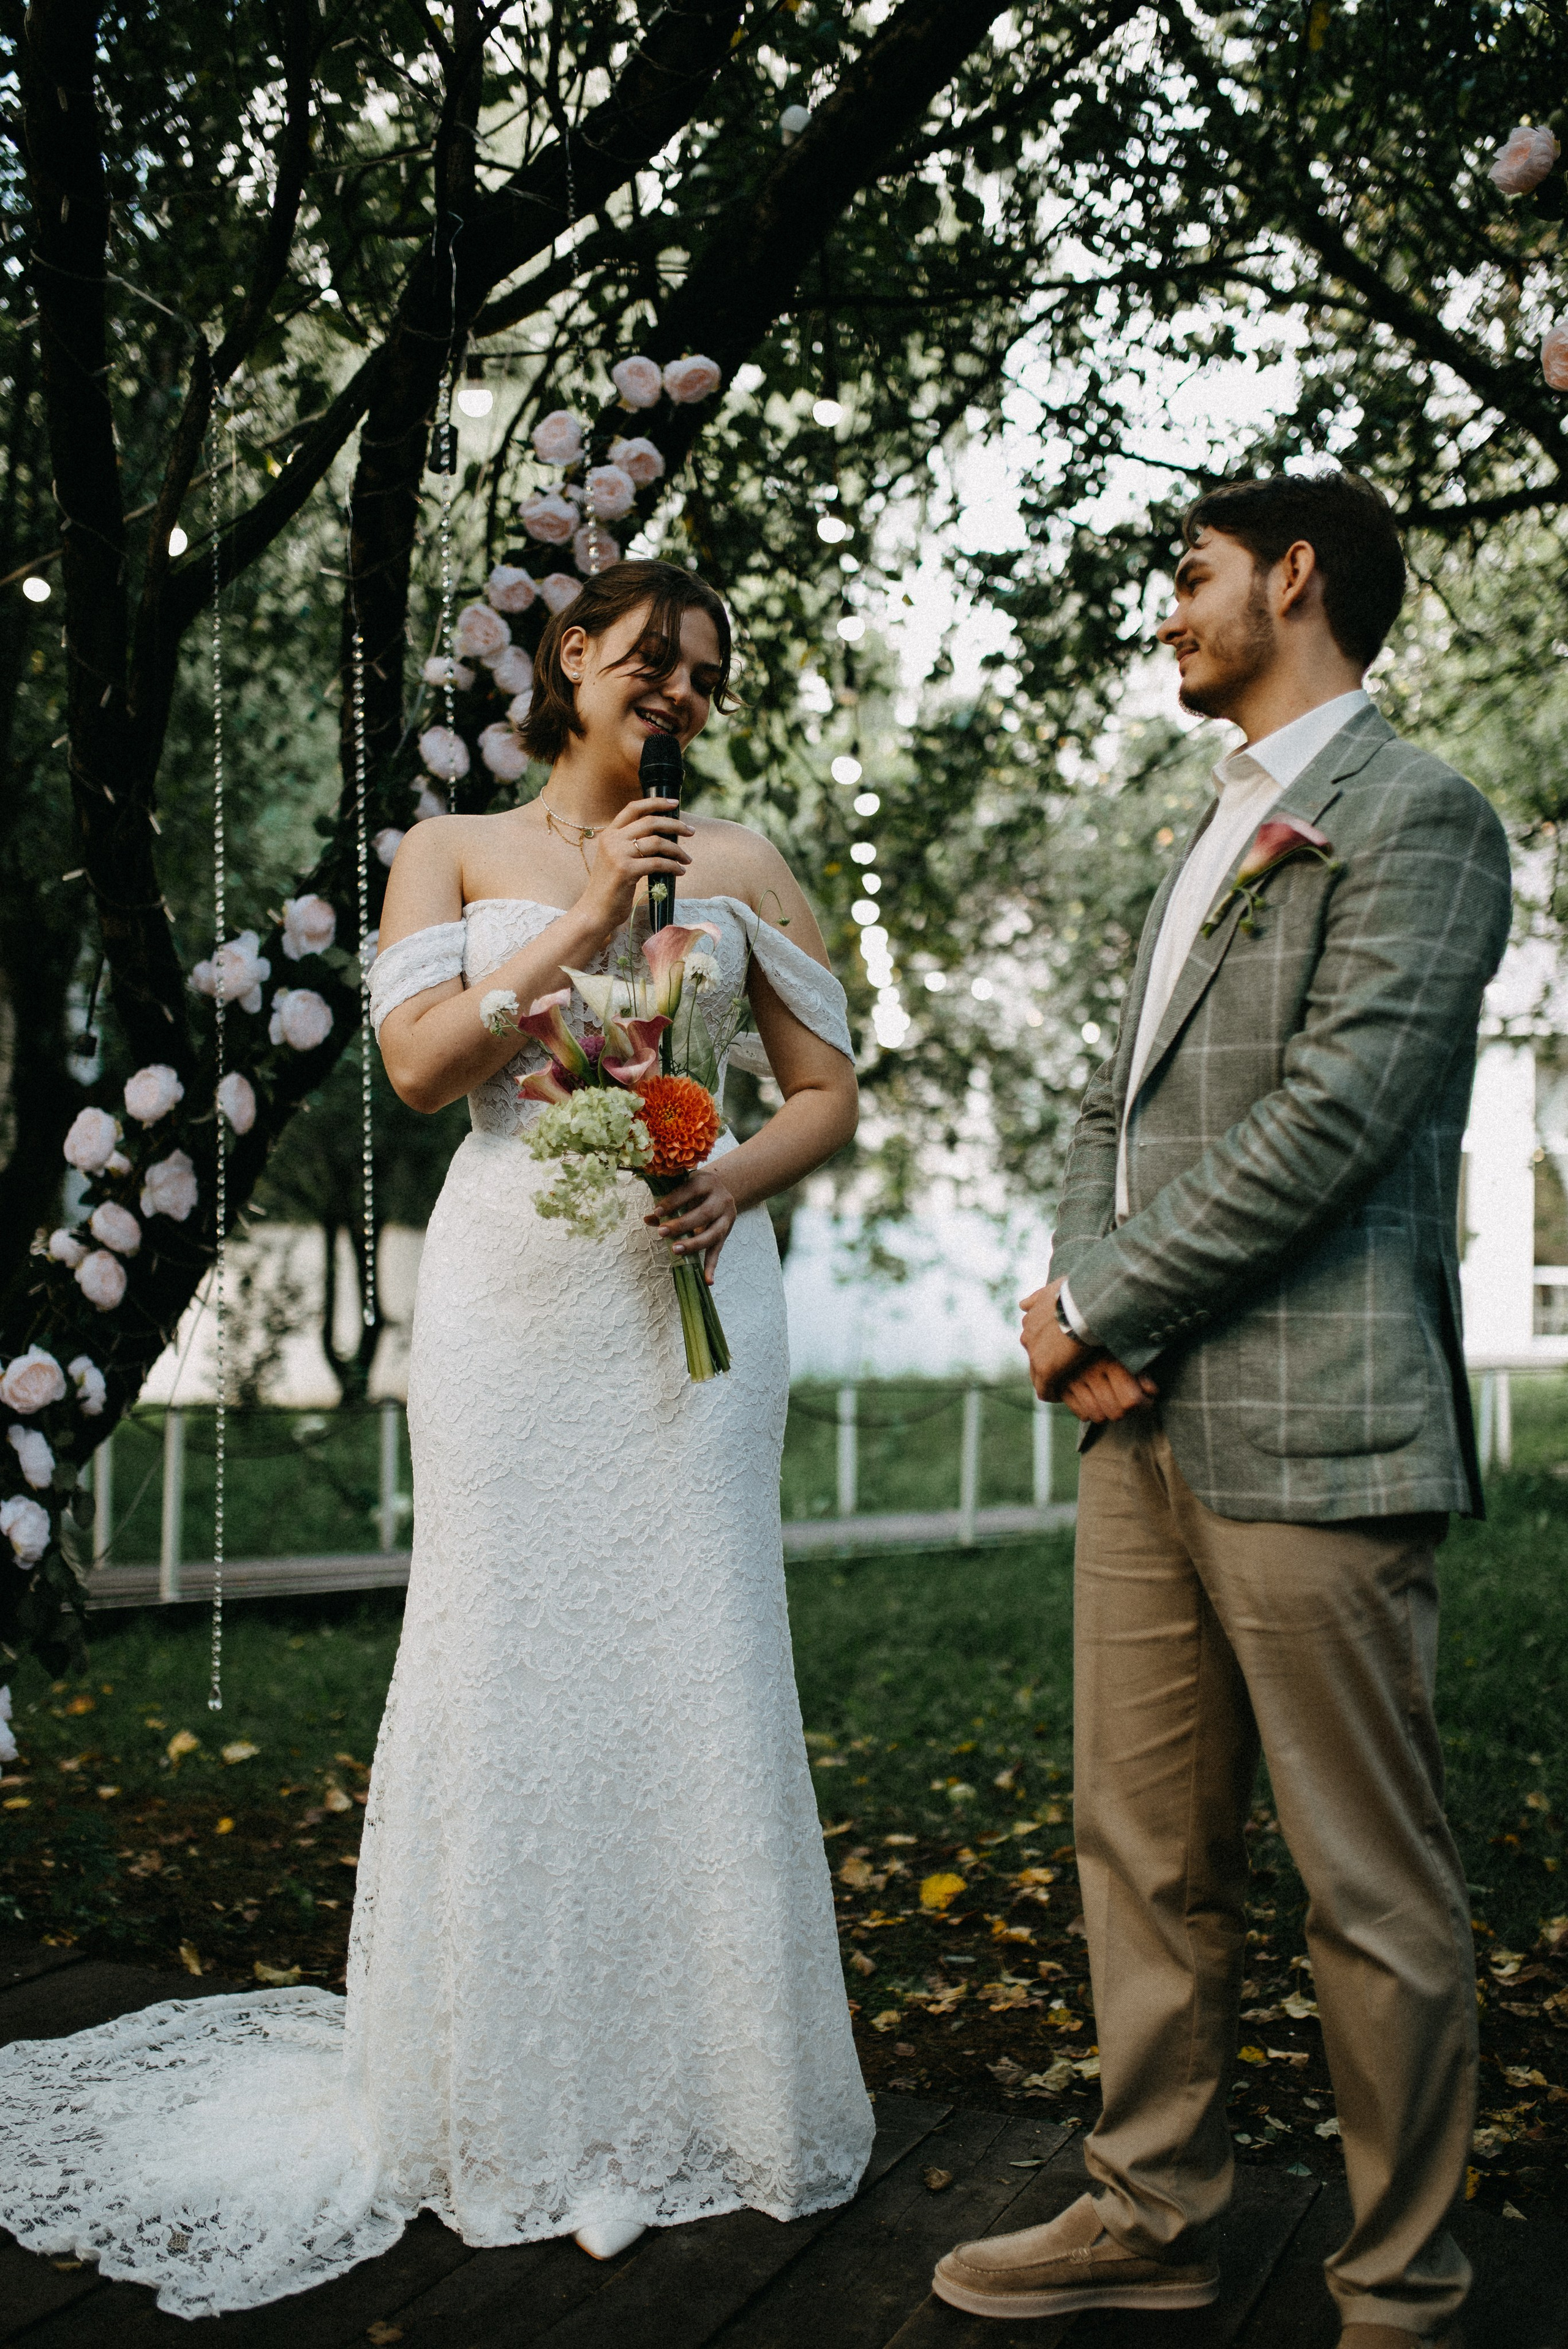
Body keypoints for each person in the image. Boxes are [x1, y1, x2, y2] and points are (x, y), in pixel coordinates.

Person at [0, 560, 873, 2315]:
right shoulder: (452, 852)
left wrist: (728, 1177)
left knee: (693, 1651)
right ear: (572, 662)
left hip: (699, 1307)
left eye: (707, 675)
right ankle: (501, 2095)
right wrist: (581, 923)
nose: (682, 696)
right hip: (517, 1305)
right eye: (653, 662)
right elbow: (412, 1067)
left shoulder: (750, 864)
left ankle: (706, 2085)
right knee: (508, 1657)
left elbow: (833, 1093)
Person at [932, 473, 1510, 2347]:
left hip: (1324, 1424)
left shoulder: (1420, 814)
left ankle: (1400, 2285)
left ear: (1295, 575)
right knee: (1143, 1845)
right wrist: (1076, 1305)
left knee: (1370, 1881)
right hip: (1141, 1429)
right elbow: (1123, 1109)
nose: (1168, 613)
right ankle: (1149, 2205)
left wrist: (1101, 1293)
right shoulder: (1210, 830)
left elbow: (1335, 1119)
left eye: (1189, 579)